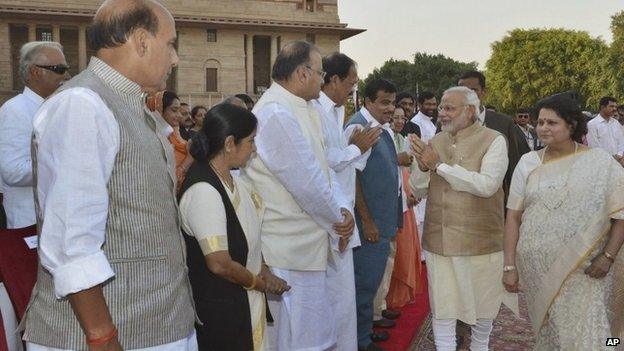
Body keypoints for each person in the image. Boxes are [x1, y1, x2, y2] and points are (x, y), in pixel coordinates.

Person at [22, 1, 197, 349]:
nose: (175, 59)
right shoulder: (82, 105)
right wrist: (103, 337)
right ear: (141, 41)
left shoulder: (129, 106)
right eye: (171, 44)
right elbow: (72, 243)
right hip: (109, 334)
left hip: (153, 326)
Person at [241, 40, 354, 351]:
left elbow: (324, 168)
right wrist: (337, 220)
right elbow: (306, 182)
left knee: (310, 334)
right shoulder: (276, 112)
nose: (323, 79)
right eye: (320, 73)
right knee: (298, 337)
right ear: (303, 74)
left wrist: (344, 211)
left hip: (307, 240)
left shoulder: (305, 107)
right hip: (286, 246)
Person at [503, 95, 624, 349]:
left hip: (586, 267)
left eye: (552, 123)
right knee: (553, 333)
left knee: (590, 335)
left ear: (571, 125)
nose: (543, 128)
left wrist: (608, 257)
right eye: (540, 122)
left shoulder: (599, 161)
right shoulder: (528, 162)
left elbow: (620, 213)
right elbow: (513, 216)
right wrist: (509, 266)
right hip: (537, 270)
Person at [410, 86, 516, 351]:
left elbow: (487, 185)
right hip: (440, 243)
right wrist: (423, 168)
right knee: (443, 309)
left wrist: (438, 166)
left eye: (449, 108)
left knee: (483, 308)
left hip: (480, 243)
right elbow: (418, 189)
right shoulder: (435, 141)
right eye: (442, 107)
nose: (441, 113)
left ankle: (480, 347)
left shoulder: (494, 140)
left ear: (470, 111)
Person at [179, 103, 289, 350]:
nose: (254, 149)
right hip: (221, 309)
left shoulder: (232, 180)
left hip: (242, 301)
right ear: (230, 143)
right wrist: (260, 283)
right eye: (250, 141)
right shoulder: (203, 190)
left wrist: (264, 270)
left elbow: (248, 234)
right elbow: (219, 263)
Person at [312, 52, 380, 351]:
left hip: (341, 211)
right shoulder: (315, 110)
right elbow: (325, 163)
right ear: (333, 79)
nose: (352, 92)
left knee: (342, 299)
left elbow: (345, 164)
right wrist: (356, 148)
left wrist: (356, 147)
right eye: (350, 85)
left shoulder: (336, 111)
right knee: (332, 298)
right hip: (329, 217)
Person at [345, 78, 402, 351]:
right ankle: (359, 342)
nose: (390, 108)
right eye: (384, 102)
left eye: (393, 102)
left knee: (370, 284)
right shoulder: (359, 127)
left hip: (380, 221)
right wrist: (366, 221)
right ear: (368, 101)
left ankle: (364, 333)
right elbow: (351, 176)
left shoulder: (381, 128)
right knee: (363, 286)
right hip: (368, 225)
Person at [0, 41, 70, 229]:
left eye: (66, 68)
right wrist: (67, 161)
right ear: (35, 72)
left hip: (59, 221)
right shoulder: (15, 110)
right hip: (29, 223)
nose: (67, 75)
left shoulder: (59, 108)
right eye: (59, 69)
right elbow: (12, 172)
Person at [458, 71, 530, 198]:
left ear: (484, 92)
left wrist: (513, 203)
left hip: (493, 199)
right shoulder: (447, 123)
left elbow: (512, 165)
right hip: (457, 199)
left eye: (473, 90)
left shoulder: (503, 123)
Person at [386, 106, 423, 311]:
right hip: (395, 199)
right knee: (398, 250)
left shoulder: (407, 139)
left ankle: (400, 295)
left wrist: (414, 192)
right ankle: (388, 299)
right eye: (395, 117)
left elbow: (415, 167)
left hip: (408, 196)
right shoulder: (387, 137)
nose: (399, 121)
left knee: (408, 246)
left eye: (402, 118)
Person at [146, 91, 193, 191]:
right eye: (174, 110)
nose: (180, 116)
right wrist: (188, 160)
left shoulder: (173, 136)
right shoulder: (154, 140)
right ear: (159, 110)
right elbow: (167, 181)